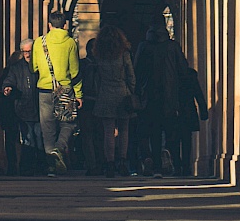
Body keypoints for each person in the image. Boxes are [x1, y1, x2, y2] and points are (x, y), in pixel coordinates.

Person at [32, 12, 82, 176]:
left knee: (47, 128)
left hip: (45, 89)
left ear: (49, 25)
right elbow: (75, 71)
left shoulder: (40, 42)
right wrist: (79, 93)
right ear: (65, 25)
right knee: (69, 123)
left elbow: (34, 67)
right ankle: (59, 148)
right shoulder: (70, 43)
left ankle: (51, 166)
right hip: (65, 89)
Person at [90, 25, 137, 178]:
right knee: (124, 130)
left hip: (105, 94)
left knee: (108, 132)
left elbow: (96, 78)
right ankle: (122, 162)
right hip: (122, 93)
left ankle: (109, 164)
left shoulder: (99, 54)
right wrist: (131, 91)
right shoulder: (124, 54)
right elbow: (131, 75)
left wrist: (98, 93)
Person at [134, 22, 179, 178]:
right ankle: (168, 158)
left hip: (149, 95)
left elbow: (137, 70)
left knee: (152, 130)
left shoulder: (143, 46)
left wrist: (137, 91)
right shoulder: (172, 47)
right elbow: (182, 70)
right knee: (170, 130)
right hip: (170, 95)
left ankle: (153, 163)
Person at [0, 39, 45, 175]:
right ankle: (27, 168)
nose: (27, 54)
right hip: (24, 109)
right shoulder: (17, 68)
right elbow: (9, 80)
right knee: (28, 139)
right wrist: (7, 87)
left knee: (40, 138)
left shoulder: (42, 65)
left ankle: (42, 166)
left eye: (30, 51)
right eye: (25, 52)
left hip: (41, 108)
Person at [168, 43, 209, 176]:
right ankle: (185, 166)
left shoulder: (169, 76)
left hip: (173, 110)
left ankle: (178, 165)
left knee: (173, 140)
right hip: (187, 111)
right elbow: (198, 93)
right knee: (186, 140)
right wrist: (203, 110)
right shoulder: (190, 75)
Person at [77, 38, 103, 174]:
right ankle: (101, 162)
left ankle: (91, 164)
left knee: (87, 134)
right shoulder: (104, 65)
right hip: (100, 101)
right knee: (100, 133)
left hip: (85, 101)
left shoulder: (82, 64)